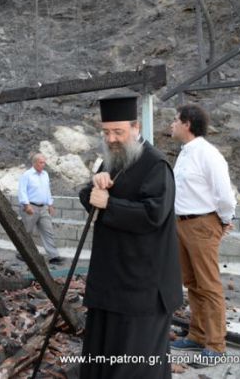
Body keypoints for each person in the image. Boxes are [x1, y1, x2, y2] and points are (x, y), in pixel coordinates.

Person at [78, 94, 182, 379]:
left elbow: (152, 214)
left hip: (142, 287)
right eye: (106, 132)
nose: (111, 138)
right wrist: (94, 186)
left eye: (118, 132)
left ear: (136, 128)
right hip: (112, 280)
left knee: (134, 363)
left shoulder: (156, 165)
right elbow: (88, 196)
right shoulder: (111, 161)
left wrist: (108, 203)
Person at [169, 104, 236, 359]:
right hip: (182, 224)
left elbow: (224, 194)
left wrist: (225, 220)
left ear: (187, 124)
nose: (172, 124)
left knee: (209, 285)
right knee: (193, 284)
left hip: (202, 224)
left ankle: (216, 345)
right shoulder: (185, 153)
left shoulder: (208, 154)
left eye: (176, 120)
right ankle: (197, 336)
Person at [18, 153, 62, 265]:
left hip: (43, 208)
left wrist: (50, 205)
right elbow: (22, 191)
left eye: (44, 162)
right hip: (30, 207)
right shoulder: (27, 175)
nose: (43, 165)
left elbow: (47, 191)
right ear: (35, 163)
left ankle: (53, 256)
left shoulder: (45, 175)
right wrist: (26, 205)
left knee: (48, 231)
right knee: (27, 232)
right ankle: (23, 253)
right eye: (41, 162)